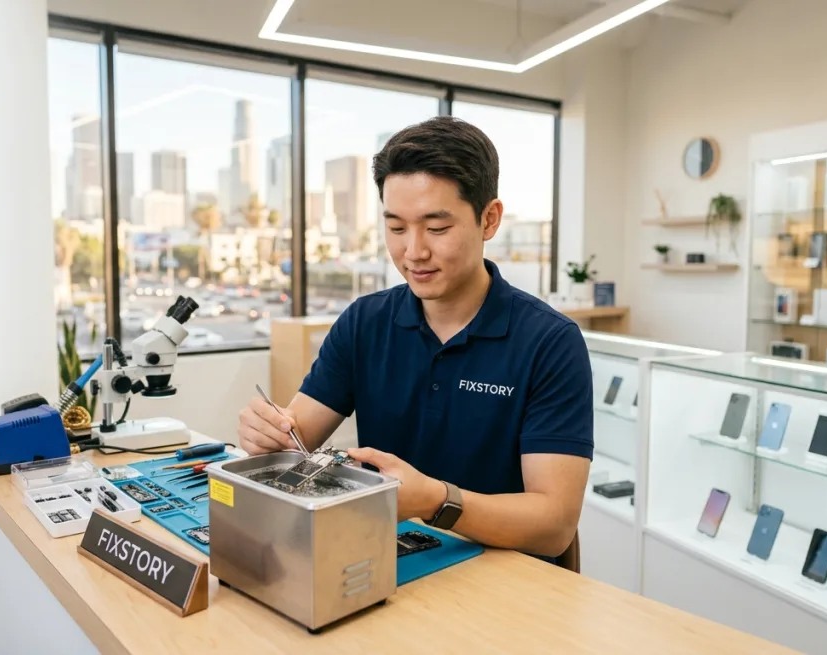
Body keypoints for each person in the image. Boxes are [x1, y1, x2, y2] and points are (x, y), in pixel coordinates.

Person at [237, 116, 593, 561]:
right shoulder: (363, 322)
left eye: (437, 228)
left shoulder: (550, 343)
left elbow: (554, 525)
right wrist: (268, 433)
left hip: (509, 579)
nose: (413, 252)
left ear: (489, 219)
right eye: (397, 228)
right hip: (392, 561)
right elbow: (296, 435)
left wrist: (435, 500)